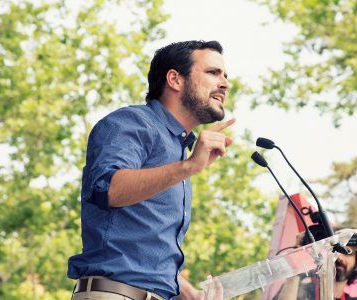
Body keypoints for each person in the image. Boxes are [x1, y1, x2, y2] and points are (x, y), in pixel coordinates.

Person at [67, 40, 234, 300]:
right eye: (213, 73)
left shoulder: (178, 149)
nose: (224, 83)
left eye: (225, 76)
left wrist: (190, 294)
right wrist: (189, 166)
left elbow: (143, 255)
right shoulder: (131, 123)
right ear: (175, 80)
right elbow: (109, 189)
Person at [276, 229, 357, 300]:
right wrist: (298, 255)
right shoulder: (300, 292)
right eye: (334, 251)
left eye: (347, 252)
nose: (339, 257)